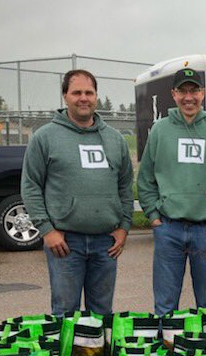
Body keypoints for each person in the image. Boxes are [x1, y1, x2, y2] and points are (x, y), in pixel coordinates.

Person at [21, 69, 134, 316]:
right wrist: (47, 231)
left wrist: (124, 226)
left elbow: (125, 185)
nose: (83, 98)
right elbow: (30, 185)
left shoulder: (115, 139)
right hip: (65, 244)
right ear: (65, 96)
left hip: (106, 243)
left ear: (96, 96)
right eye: (77, 92)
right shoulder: (45, 137)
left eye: (89, 92)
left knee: (102, 315)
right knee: (65, 313)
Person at [137, 68, 206, 314]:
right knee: (165, 304)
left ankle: (205, 350)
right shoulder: (160, 130)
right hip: (168, 229)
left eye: (194, 90)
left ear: (203, 94)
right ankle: (167, 348)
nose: (188, 97)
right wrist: (153, 217)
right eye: (182, 91)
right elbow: (146, 178)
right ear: (173, 94)